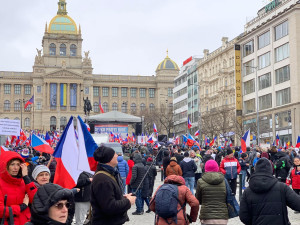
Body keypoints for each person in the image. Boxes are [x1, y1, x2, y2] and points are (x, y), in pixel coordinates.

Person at [239, 158, 300, 225]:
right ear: (271, 170)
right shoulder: (282, 187)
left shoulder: (247, 191)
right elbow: (297, 204)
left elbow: (243, 215)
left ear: (255, 170)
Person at [91, 146, 136, 224]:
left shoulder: (108, 175)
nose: (117, 156)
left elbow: (108, 198)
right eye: (114, 154)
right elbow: (110, 207)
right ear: (109, 159)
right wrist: (128, 201)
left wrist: (122, 197)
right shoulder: (103, 179)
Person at [0, 151, 37, 225]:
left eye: (18, 164)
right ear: (5, 165)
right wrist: (21, 207)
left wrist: (26, 178)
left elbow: (35, 199)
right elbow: (1, 211)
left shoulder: (23, 181)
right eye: (12, 164)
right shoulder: (1, 183)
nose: (16, 167)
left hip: (26, 221)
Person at [196, 160, 229, 225]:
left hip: (206, 216)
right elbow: (228, 197)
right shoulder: (224, 181)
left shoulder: (200, 181)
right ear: (217, 168)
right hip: (222, 216)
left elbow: (198, 200)